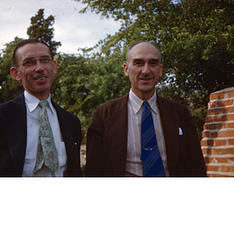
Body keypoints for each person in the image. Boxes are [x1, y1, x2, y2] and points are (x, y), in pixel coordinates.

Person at [0, 39, 82, 177]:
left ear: (54, 66)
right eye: (29, 62)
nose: (39, 68)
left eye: (45, 60)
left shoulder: (71, 122)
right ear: (16, 73)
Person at [85, 41, 207, 177]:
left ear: (160, 70)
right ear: (126, 69)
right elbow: (93, 172)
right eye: (138, 63)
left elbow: (195, 168)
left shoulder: (180, 113)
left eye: (153, 63)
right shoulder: (103, 115)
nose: (146, 71)